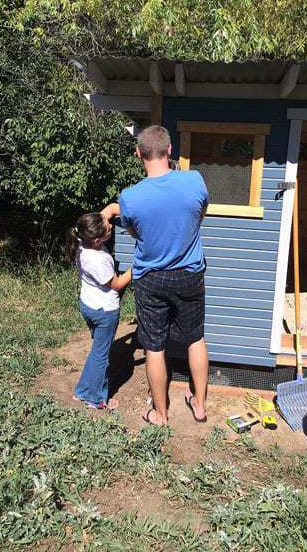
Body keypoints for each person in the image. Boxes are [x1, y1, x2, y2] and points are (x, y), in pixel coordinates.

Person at [101, 125, 209, 425]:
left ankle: (160, 414)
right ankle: (199, 405)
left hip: (152, 278)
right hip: (190, 274)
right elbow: (199, 217)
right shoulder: (195, 181)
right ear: (170, 150)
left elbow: (136, 232)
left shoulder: (130, 197)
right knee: (195, 338)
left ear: (139, 154)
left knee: (154, 346)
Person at [66, 212, 132, 409]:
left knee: (97, 351)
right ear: (97, 240)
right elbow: (118, 283)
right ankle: (96, 399)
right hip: (104, 312)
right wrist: (136, 267)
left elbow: (107, 212)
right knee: (101, 356)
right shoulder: (98, 261)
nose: (110, 225)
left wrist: (123, 209)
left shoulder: (80, 239)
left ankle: (82, 391)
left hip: (88, 305)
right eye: (107, 227)